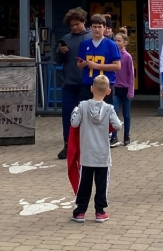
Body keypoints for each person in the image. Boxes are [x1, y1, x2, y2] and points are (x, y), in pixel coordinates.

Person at [70, 74, 122, 223]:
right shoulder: (109, 109)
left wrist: (74, 112)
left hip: (86, 154)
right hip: (102, 154)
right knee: (101, 184)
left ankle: (80, 211)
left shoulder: (82, 106)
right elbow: (117, 126)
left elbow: (74, 123)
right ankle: (100, 211)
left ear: (91, 88)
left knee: (84, 183)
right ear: (108, 91)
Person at [55, 8, 92, 159]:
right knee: (68, 116)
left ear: (83, 22)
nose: (74, 27)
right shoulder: (66, 38)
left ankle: (86, 147)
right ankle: (68, 145)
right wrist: (60, 52)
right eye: (71, 25)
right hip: (69, 84)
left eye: (77, 24)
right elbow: (58, 61)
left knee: (87, 117)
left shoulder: (91, 37)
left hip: (87, 84)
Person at [76, 14, 121, 90]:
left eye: (99, 27)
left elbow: (117, 66)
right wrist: (81, 64)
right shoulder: (84, 44)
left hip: (105, 85)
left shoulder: (111, 44)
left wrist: (96, 66)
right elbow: (79, 65)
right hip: (88, 84)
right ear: (90, 28)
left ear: (104, 28)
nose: (97, 29)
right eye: (94, 27)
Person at [111, 30, 134, 147]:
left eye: (119, 40)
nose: (116, 42)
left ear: (125, 42)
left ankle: (126, 135)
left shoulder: (127, 57)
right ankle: (114, 136)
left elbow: (131, 75)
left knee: (126, 114)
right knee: (113, 113)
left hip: (125, 89)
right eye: (115, 40)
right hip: (115, 88)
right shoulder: (112, 55)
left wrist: (131, 91)